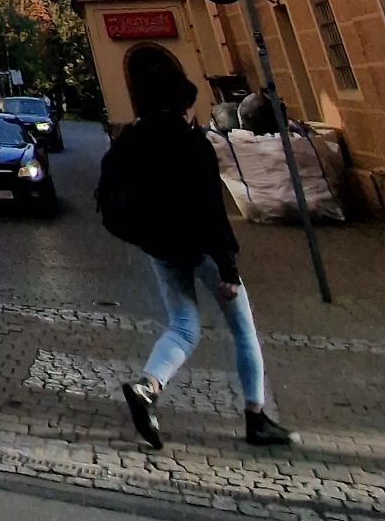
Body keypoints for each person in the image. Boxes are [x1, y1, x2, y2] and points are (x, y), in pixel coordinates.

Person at [97, 52, 294, 451]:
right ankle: (256, 418)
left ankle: (147, 388)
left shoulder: (131, 140)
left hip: (162, 247)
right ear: (183, 104)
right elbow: (210, 210)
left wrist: (145, 236)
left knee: (184, 325)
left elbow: (108, 199)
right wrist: (227, 267)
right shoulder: (192, 144)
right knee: (243, 331)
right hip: (205, 250)